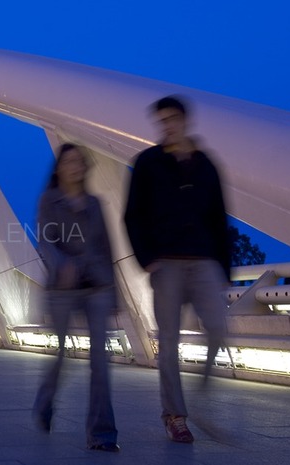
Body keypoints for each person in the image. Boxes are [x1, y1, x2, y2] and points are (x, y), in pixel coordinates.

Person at [123, 95, 231, 444]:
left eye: (172, 119)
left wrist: (223, 267)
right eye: (161, 121)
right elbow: (132, 215)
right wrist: (146, 258)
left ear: (185, 121)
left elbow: (218, 217)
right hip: (167, 263)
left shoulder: (205, 165)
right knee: (168, 343)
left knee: (217, 327)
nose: (166, 126)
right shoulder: (148, 163)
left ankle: (200, 388)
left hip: (203, 261)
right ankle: (175, 415)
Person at [32, 143, 120, 452]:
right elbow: (46, 240)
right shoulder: (49, 201)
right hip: (62, 287)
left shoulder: (95, 204)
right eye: (69, 161)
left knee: (100, 361)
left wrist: (116, 297)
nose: (75, 166)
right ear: (59, 168)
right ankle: (45, 399)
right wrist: (61, 265)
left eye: (80, 161)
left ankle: (102, 433)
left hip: (96, 285)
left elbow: (108, 250)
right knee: (60, 355)